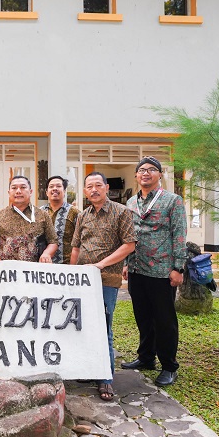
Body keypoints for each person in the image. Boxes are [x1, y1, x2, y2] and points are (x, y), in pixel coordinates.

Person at [71, 172, 137, 401]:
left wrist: (100, 265)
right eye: (89, 186)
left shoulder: (121, 212)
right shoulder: (82, 216)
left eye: (98, 185)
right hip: (82, 281)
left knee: (103, 328)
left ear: (107, 188)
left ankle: (106, 378)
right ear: (85, 191)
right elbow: (76, 248)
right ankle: (89, 369)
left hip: (106, 279)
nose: (94, 190)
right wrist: (72, 274)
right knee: (82, 327)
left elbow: (129, 245)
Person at [122, 157, 188, 388]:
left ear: (160, 175)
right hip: (137, 269)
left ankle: (169, 366)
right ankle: (146, 358)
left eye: (151, 170)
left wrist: (178, 267)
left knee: (164, 320)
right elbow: (129, 235)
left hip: (162, 270)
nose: (146, 173)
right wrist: (126, 263)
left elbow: (179, 235)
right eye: (141, 170)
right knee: (143, 317)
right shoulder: (131, 202)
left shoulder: (173, 201)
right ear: (136, 176)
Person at [0, 175, 57, 263]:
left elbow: (53, 241)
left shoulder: (43, 215)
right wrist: (0, 266)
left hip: (35, 272)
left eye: (23, 187)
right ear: (9, 192)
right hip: (7, 272)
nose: (18, 191)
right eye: (14, 188)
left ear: (30, 192)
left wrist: (47, 253)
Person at [41, 175, 80, 264]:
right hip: (44, 266)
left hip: (67, 266)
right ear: (47, 192)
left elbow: (80, 241)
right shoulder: (40, 212)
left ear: (64, 191)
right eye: (51, 187)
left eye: (58, 186)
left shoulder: (74, 212)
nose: (55, 189)